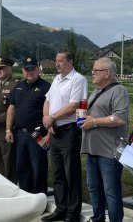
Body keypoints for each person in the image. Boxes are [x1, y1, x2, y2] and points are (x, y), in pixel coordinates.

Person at [80, 57, 129, 222]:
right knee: (94, 189)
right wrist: (86, 118)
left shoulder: (119, 91)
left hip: (109, 152)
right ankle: (98, 218)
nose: (92, 73)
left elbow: (120, 118)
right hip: (93, 149)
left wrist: (93, 122)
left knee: (111, 192)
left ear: (107, 73)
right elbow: (98, 115)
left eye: (96, 70)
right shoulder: (96, 91)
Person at [42, 50, 88, 222]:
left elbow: (74, 105)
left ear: (70, 62)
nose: (57, 64)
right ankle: (60, 208)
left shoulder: (78, 79)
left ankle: (73, 212)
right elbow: (47, 101)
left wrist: (53, 118)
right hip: (54, 130)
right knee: (58, 172)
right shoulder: (56, 79)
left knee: (71, 173)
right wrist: (48, 121)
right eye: (56, 60)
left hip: (69, 130)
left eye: (60, 61)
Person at [5, 57, 50, 194]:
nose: (29, 71)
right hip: (20, 134)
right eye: (26, 69)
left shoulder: (46, 87)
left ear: (38, 69)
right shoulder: (18, 86)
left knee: (38, 167)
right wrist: (8, 129)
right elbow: (11, 108)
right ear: (23, 70)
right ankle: (26, 194)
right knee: (22, 167)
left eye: (32, 68)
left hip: (37, 134)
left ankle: (39, 196)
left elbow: (51, 112)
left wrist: (48, 135)